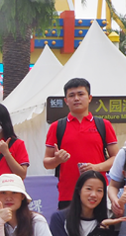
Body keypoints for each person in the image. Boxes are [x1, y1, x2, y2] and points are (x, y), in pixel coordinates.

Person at [45, 78, 119, 209]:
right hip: (68, 195)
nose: (76, 99)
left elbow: (116, 158)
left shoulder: (103, 125)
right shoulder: (57, 127)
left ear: (89, 98)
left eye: (81, 94)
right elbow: (46, 163)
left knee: (100, 223)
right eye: (71, 95)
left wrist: (96, 167)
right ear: (66, 101)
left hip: (97, 194)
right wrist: (57, 160)